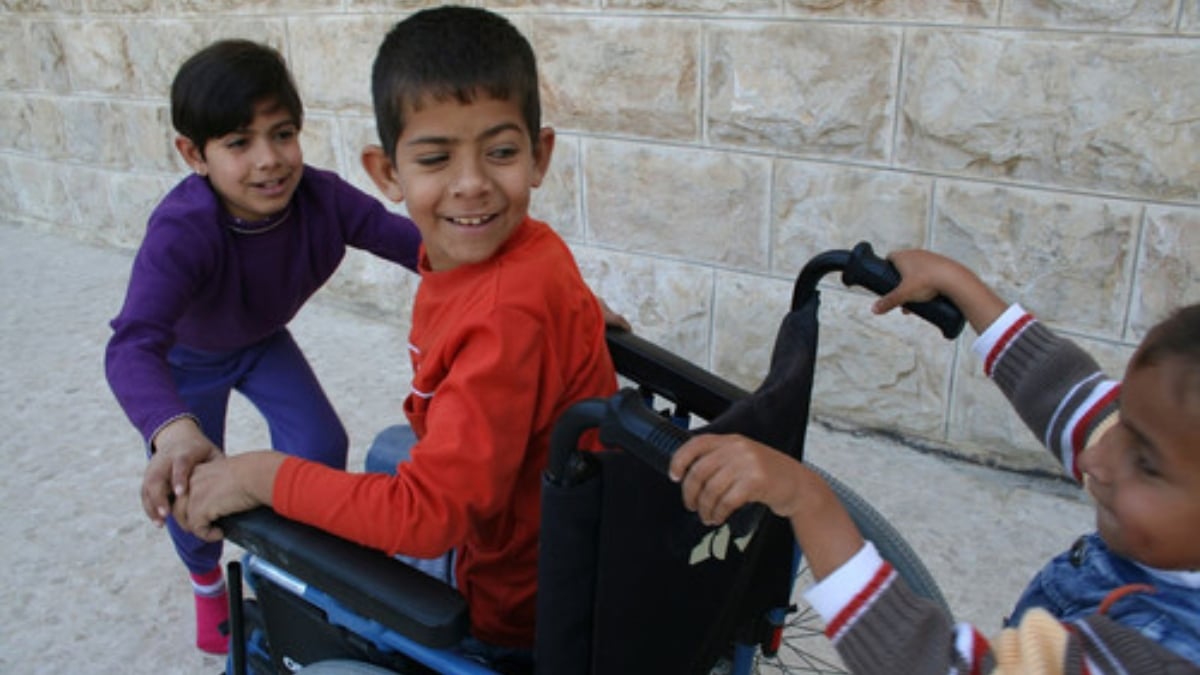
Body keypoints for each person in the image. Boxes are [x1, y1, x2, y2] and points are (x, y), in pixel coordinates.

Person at [169, 6, 618, 669]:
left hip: (509, 607)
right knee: (387, 446)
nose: (472, 183)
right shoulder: (534, 250)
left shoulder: (499, 317)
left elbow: (427, 516)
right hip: (557, 528)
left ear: (538, 155)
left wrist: (259, 473)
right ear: (386, 173)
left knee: (295, 593)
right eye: (436, 157)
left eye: (500, 152)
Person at [669, 249, 1200, 672]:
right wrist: (960, 284)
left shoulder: (1151, 655)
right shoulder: (1170, 471)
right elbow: (1072, 398)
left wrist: (808, 499)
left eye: (1146, 462)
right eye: (1125, 421)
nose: (1096, 457)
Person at [104, 39, 425, 655]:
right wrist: (170, 429)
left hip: (260, 341)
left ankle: (301, 570)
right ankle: (207, 585)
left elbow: (421, 247)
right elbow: (131, 345)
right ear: (192, 154)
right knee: (190, 481)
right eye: (238, 143)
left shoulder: (322, 200)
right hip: (184, 360)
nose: (269, 160)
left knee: (320, 444)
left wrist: (531, 286)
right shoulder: (183, 231)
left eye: (282, 134)